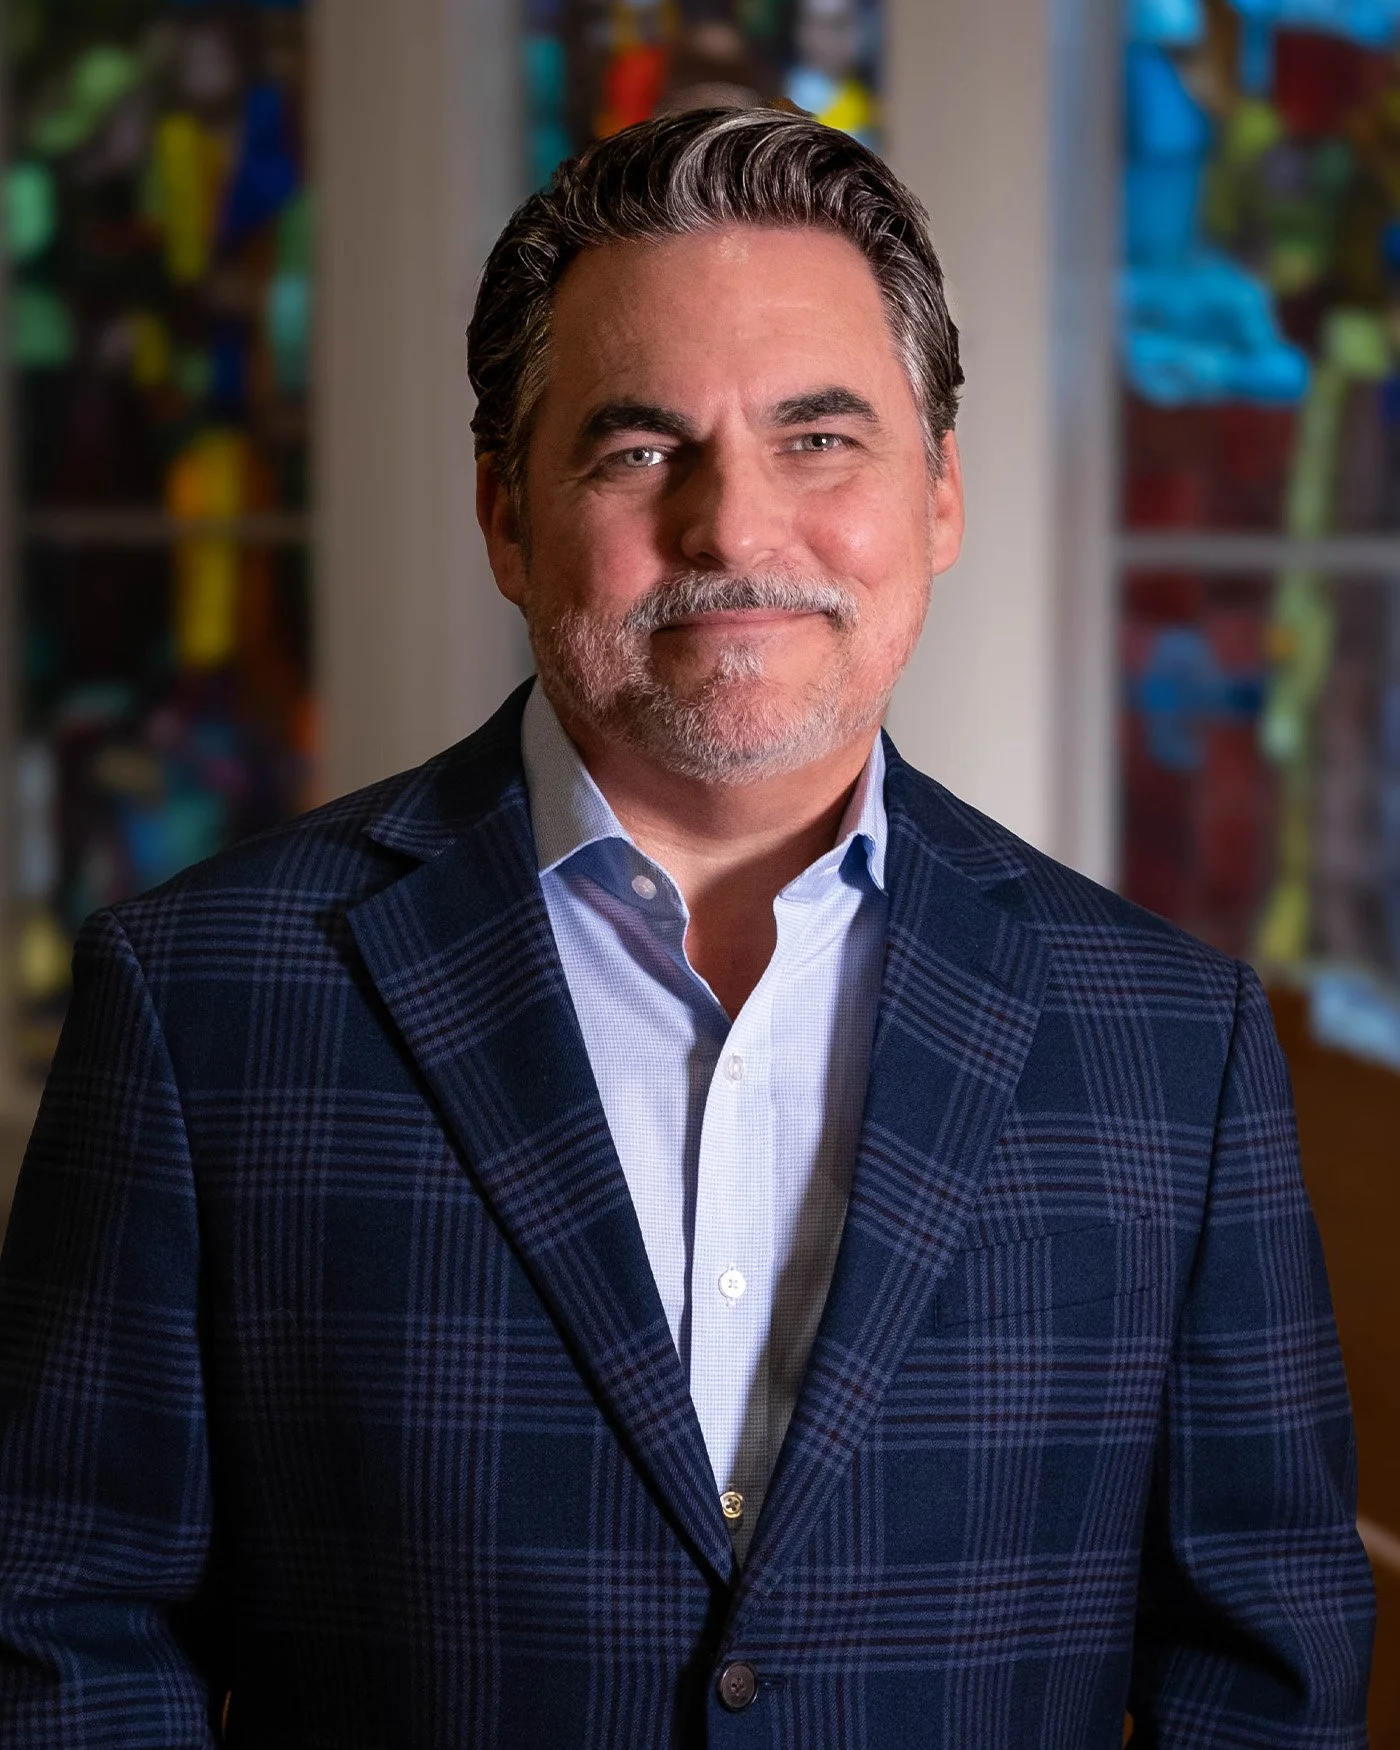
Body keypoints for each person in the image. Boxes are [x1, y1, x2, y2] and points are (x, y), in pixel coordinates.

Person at [0, 106, 1374, 1748]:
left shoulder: (1176, 1043)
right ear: (508, 516)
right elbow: (62, 1629)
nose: (733, 529)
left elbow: (1264, 1675)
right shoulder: (203, 997)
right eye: (641, 448)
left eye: (820, 438)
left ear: (938, 496)